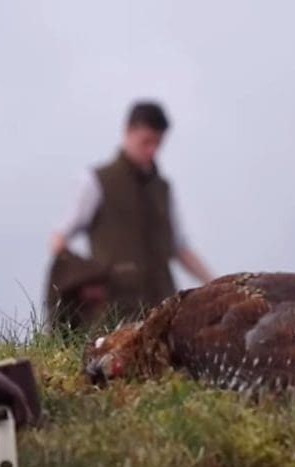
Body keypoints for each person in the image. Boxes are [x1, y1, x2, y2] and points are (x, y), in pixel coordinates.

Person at [49, 100, 214, 322]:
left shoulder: (163, 188)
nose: (152, 150)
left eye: (158, 143)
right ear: (128, 131)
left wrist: (214, 284)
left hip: (162, 310)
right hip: (113, 315)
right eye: (146, 142)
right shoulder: (96, 181)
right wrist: (85, 280)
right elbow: (59, 239)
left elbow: (180, 247)